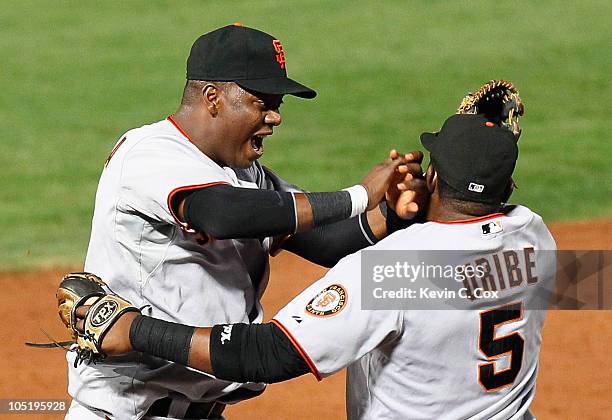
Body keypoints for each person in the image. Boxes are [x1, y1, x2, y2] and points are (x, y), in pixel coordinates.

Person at [79, 113, 557, 419]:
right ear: (508, 188)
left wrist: (136, 330)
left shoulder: (391, 273)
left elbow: (267, 355)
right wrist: (398, 217)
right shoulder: (538, 240)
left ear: (431, 176)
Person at [68, 23, 425, 419]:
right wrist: (357, 197)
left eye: (278, 105)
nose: (275, 117)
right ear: (213, 98)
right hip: (129, 412)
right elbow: (223, 214)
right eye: (262, 102)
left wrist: (392, 212)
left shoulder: (242, 173)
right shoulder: (150, 154)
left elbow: (323, 241)